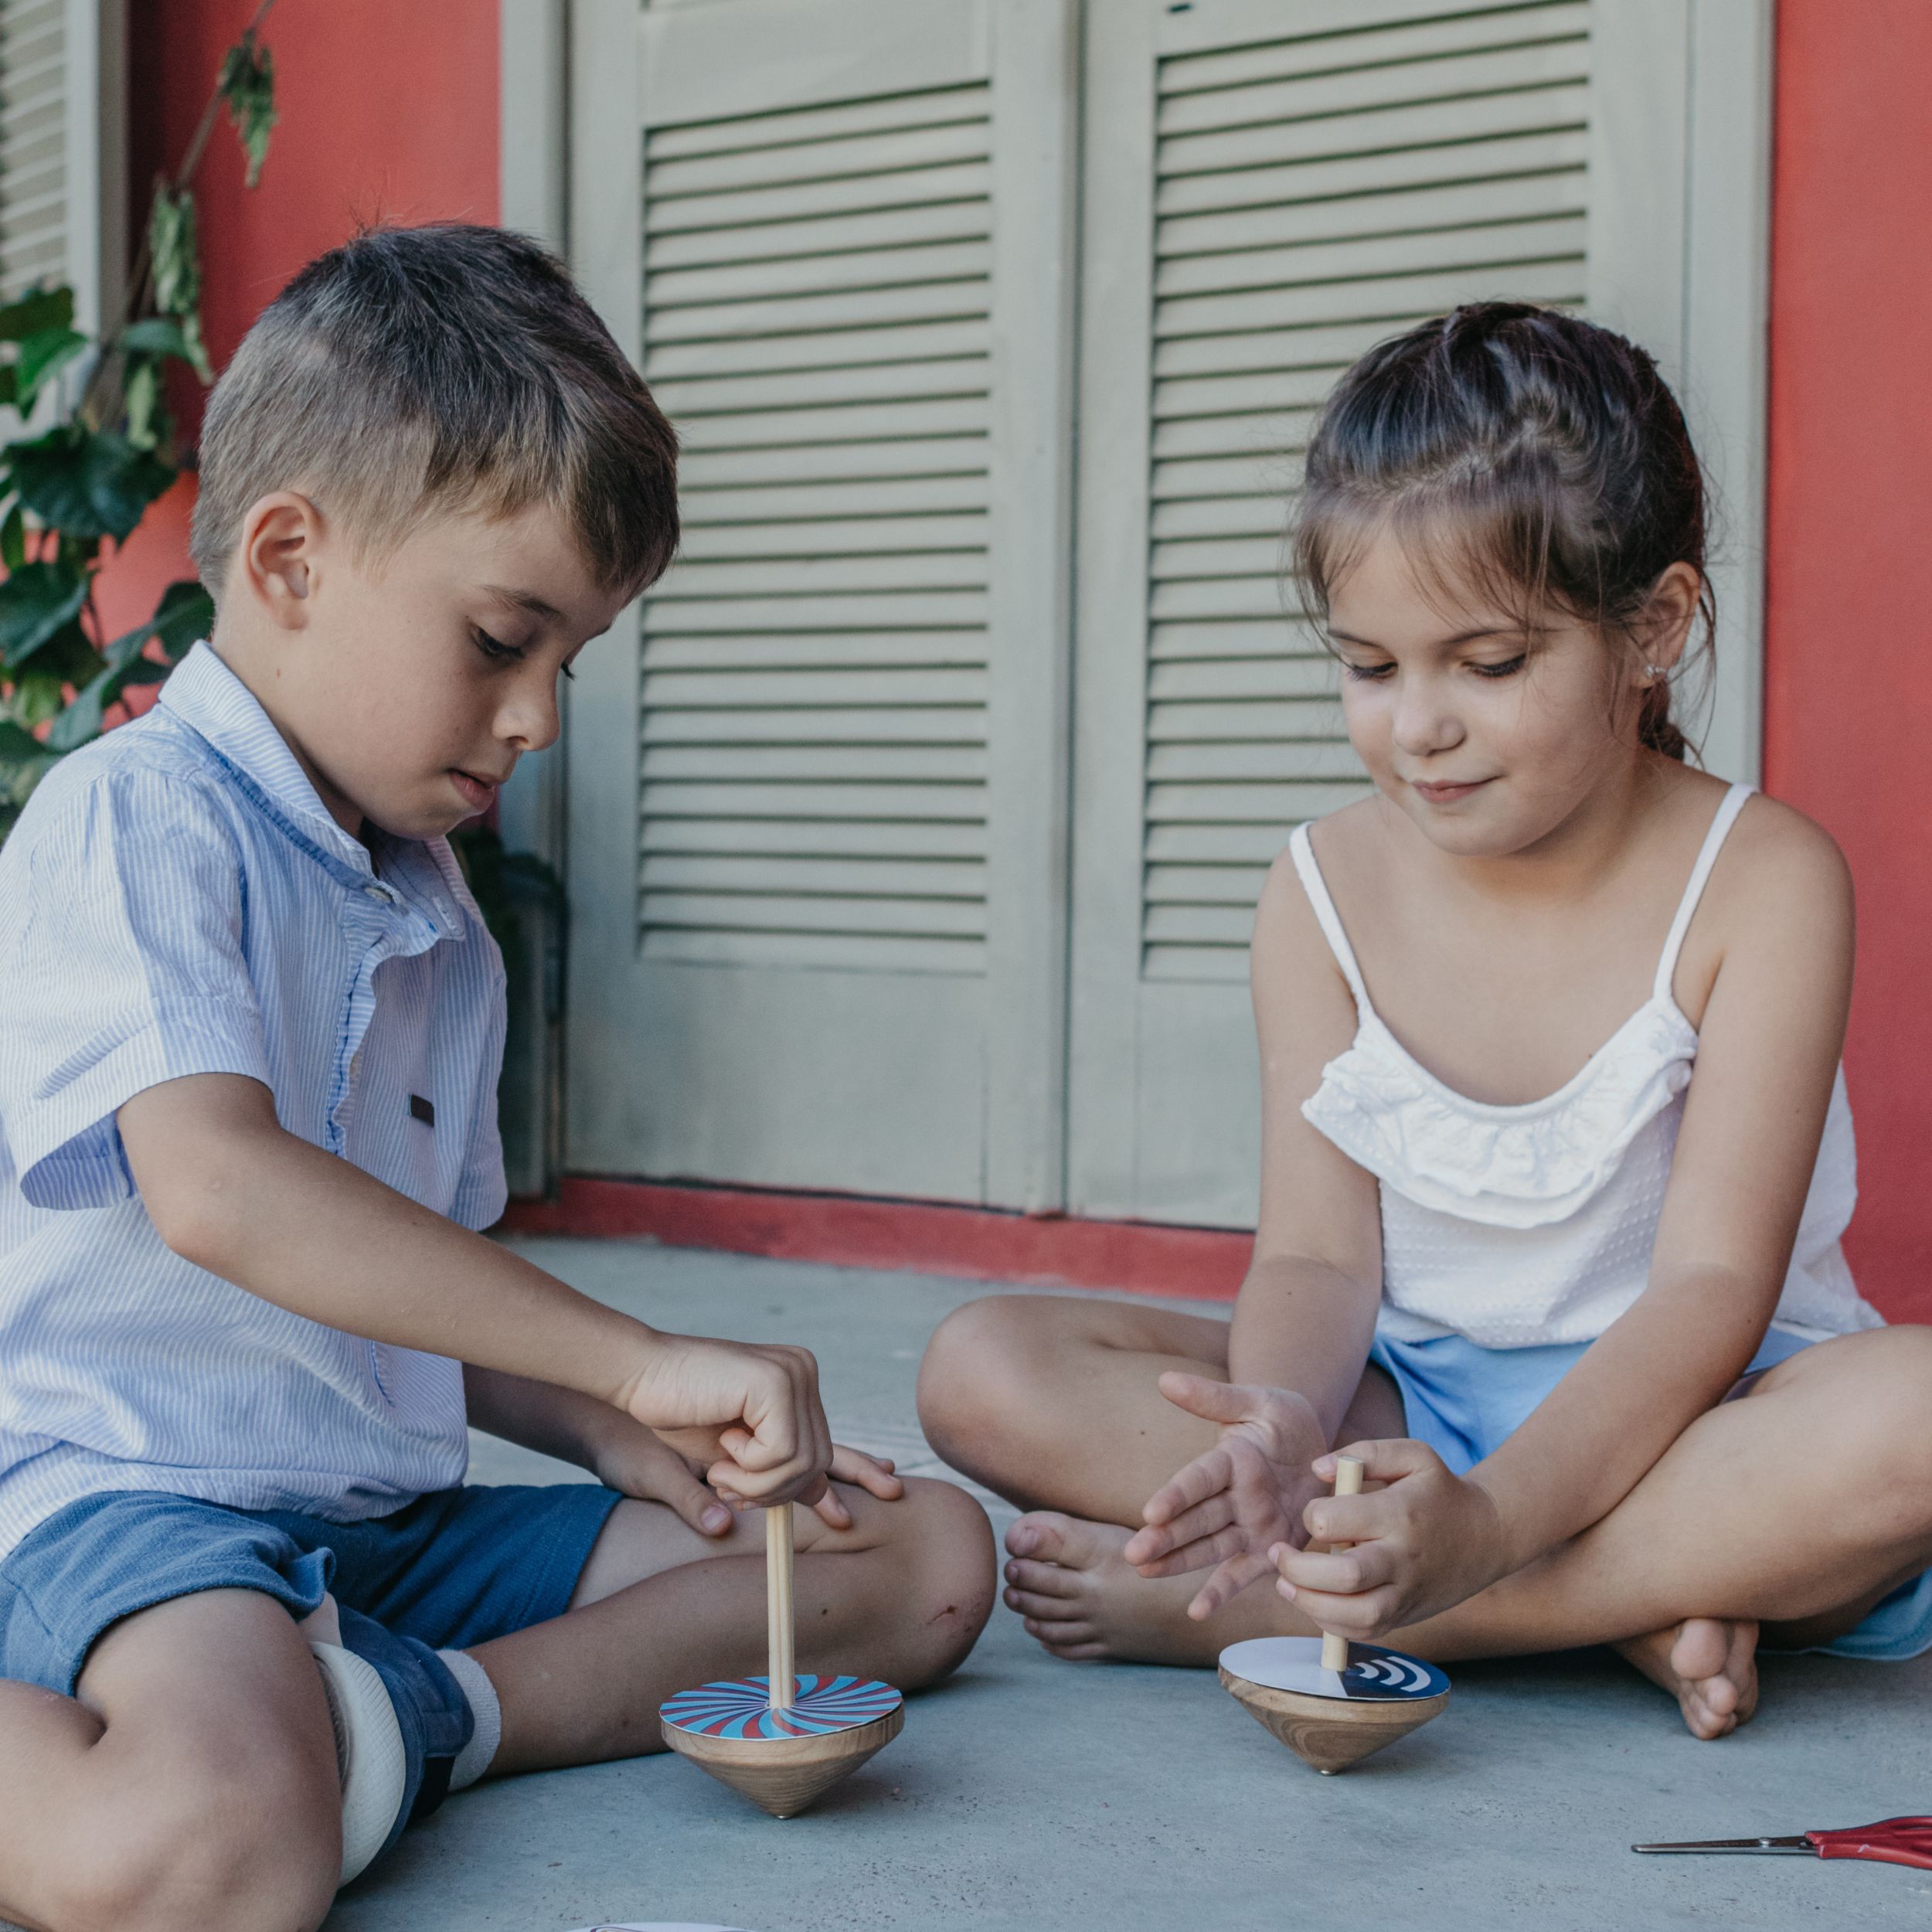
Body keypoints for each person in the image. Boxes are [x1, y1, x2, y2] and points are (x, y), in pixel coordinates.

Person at [0, 224, 993, 1932]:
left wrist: (622, 1424)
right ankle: (272, 1736)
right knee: (209, 1847)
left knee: (913, 1561)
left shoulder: (431, 906)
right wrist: (636, 1350)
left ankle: (419, 1715)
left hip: (375, 1527)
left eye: (570, 663)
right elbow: (222, 1190)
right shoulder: (134, 815)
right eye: (497, 637)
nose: (536, 715)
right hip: (138, 1501)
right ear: (292, 558)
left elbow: (422, 1311)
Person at [919, 301, 1932, 1746]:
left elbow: (1710, 1289)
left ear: (1655, 626)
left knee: (1916, 1420)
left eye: (1491, 664)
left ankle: (1312, 1606)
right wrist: (1275, 1419)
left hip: (1702, 1420)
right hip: (1412, 1416)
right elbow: (1323, 1255)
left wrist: (1493, 1522)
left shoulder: (1763, 879)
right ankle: (1624, 1606)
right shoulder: (1317, 890)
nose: (1419, 727)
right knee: (982, 1366)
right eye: (1370, 667)